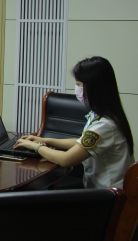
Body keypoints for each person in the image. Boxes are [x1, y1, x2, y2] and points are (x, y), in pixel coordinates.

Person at [14, 56, 134, 188]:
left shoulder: (105, 125)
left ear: (95, 87)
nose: (76, 88)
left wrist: (36, 147)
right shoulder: (100, 114)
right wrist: (45, 140)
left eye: (79, 84)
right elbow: (81, 143)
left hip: (109, 195)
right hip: (99, 189)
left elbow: (66, 160)